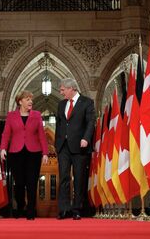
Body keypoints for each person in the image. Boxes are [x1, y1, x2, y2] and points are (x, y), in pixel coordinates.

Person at [0, 90, 49, 220]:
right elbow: (6, 134)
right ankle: (21, 204)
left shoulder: (37, 115)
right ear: (20, 101)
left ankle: (31, 211)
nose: (31, 102)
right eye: (27, 99)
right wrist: (3, 148)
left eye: (31, 99)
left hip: (34, 152)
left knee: (32, 182)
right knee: (20, 183)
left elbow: (42, 135)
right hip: (16, 153)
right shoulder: (11, 116)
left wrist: (45, 153)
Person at [55, 78, 95, 220]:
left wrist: (86, 138)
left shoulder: (87, 102)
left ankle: (77, 209)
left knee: (79, 178)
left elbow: (91, 122)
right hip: (63, 147)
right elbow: (59, 124)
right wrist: (56, 144)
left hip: (80, 146)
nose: (61, 92)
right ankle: (64, 210)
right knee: (64, 178)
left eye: (62, 89)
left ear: (71, 88)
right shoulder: (61, 104)